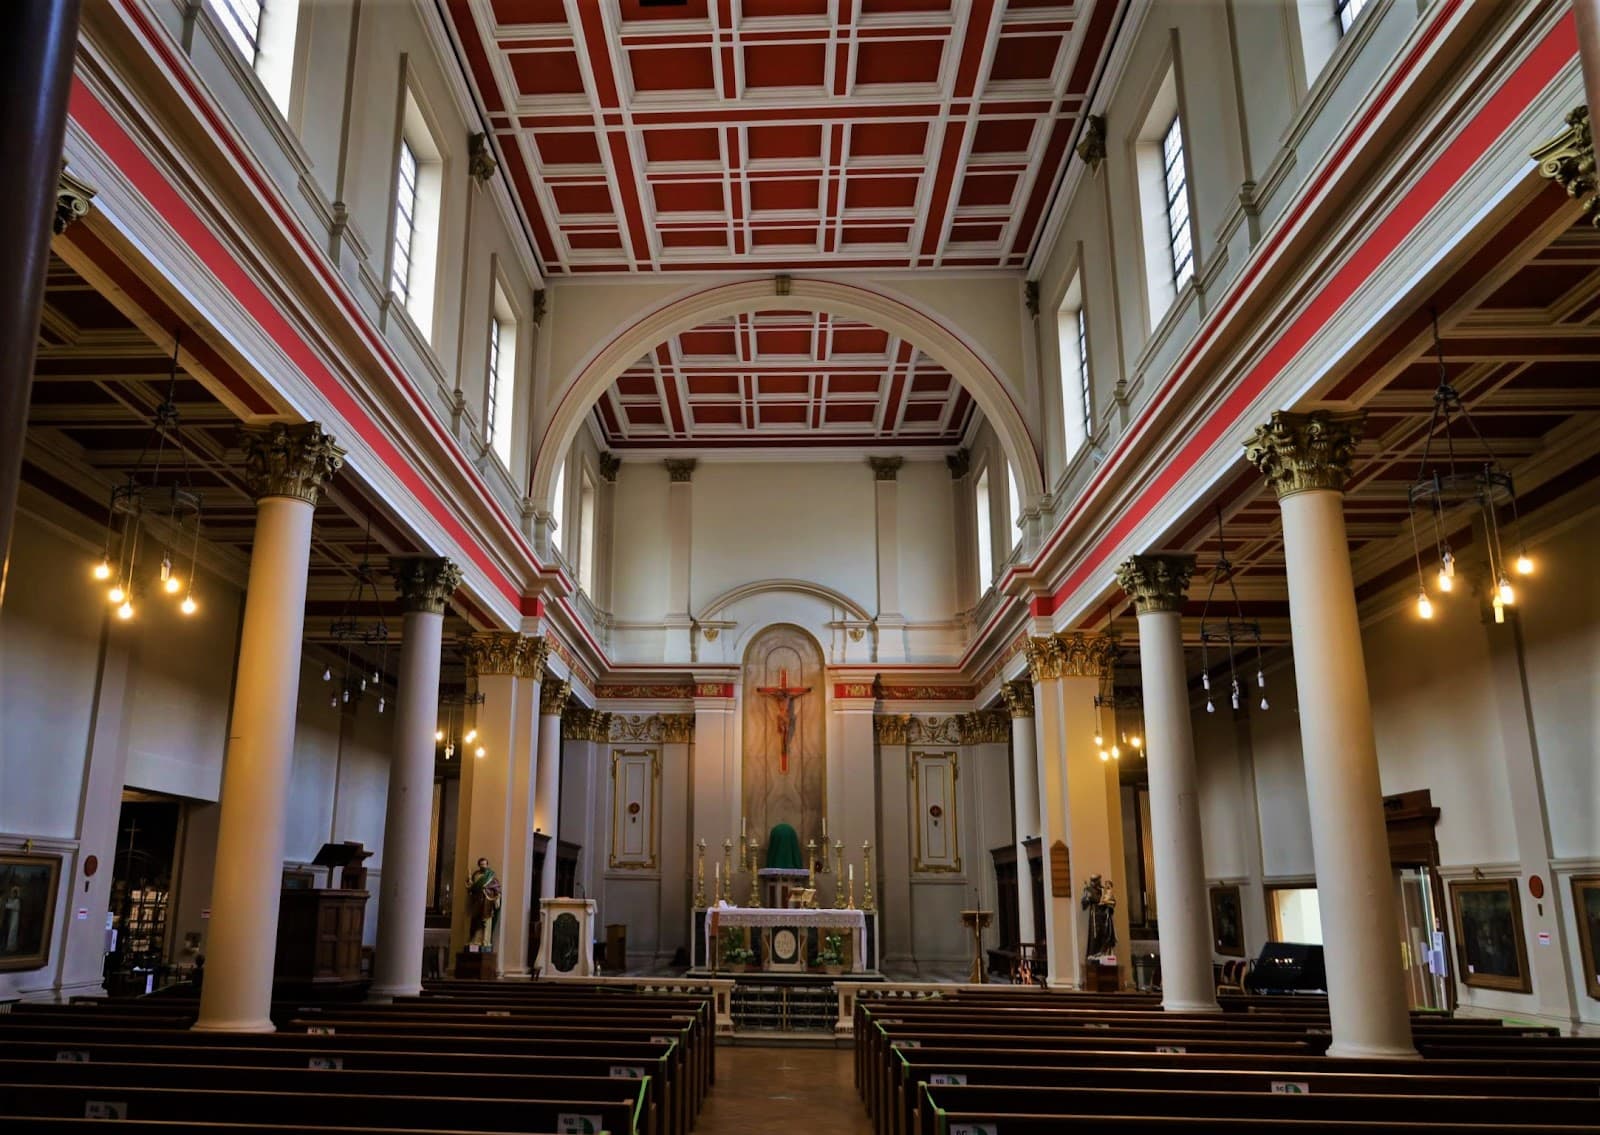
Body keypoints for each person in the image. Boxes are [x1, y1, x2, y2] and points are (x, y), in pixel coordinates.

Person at [467, 858, 502, 951]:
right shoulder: (475, 875)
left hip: (487, 902)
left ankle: (485, 941)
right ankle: (475, 940)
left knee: (486, 922)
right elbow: (471, 888)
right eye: (481, 864)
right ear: (479, 865)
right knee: (476, 922)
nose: (483, 866)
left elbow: (497, 889)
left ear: (487, 865)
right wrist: (469, 885)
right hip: (477, 902)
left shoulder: (491, 876)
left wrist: (497, 898)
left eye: (485, 864)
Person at [2, 885, 21, 954]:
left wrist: (5, 904)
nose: (12, 894)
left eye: (14, 893)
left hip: (15, 917)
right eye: (12, 893)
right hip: (12, 916)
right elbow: (9, 904)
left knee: (13, 931)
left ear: (16, 894)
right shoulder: (13, 900)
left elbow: (12, 906)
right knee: (10, 931)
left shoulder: (17, 900)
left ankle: (11, 947)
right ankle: (9, 946)